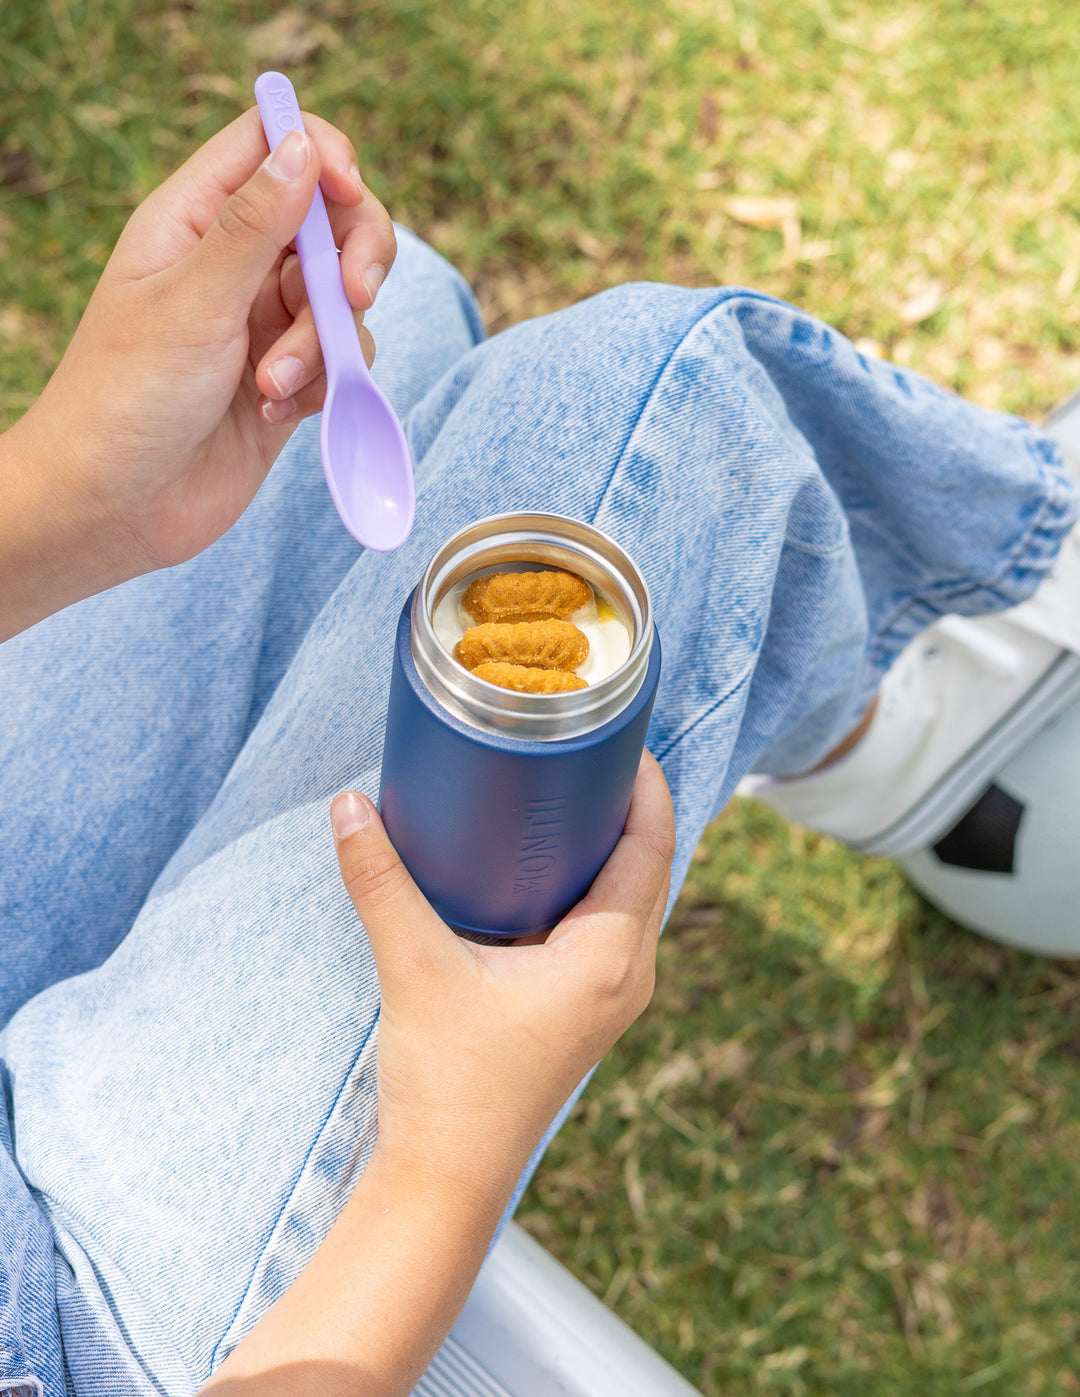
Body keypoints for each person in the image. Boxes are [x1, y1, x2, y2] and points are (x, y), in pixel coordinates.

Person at [1, 104, 1077, 1397]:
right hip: (71, 1326)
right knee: (667, 399)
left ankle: (892, 705)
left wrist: (68, 494)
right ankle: (939, 740)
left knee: (361, 350)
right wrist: (445, 1159)